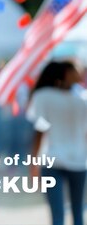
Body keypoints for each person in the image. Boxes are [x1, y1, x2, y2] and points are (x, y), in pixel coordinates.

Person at [27, 61, 87, 225]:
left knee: (57, 215)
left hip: (53, 159)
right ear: (66, 72)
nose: (80, 72)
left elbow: (40, 130)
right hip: (79, 160)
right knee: (78, 212)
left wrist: (34, 164)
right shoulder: (82, 98)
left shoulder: (43, 96)